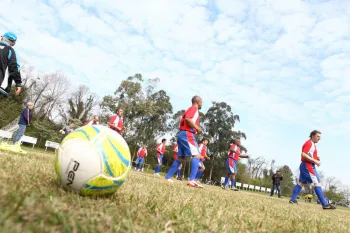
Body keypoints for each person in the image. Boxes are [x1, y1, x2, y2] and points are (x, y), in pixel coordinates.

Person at [289, 130, 336, 210]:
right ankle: (325, 204)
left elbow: (308, 154)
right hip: (308, 166)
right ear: (312, 136)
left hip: (304, 165)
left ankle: (292, 200)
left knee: (301, 183)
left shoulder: (312, 144)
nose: (319, 139)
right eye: (318, 136)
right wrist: (315, 161)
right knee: (317, 183)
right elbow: (303, 154)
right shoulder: (309, 143)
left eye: (320, 137)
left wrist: (316, 158)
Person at [164, 96, 203, 188]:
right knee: (197, 155)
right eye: (201, 102)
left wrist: (195, 129)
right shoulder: (194, 108)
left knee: (180, 158)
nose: (202, 103)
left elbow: (188, 120)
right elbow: (188, 119)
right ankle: (192, 180)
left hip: (182, 133)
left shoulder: (191, 109)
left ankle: (167, 177)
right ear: (197, 101)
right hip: (187, 134)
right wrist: (197, 128)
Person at [0, 31, 22, 97]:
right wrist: (18, 83)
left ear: (2, 38)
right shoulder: (11, 52)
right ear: (13, 44)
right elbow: (15, 68)